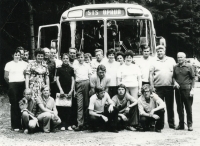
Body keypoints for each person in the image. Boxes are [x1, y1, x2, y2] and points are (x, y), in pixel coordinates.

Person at [149, 45, 176, 129]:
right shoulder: (153, 61)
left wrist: (175, 83)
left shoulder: (171, 60)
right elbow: (150, 75)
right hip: (158, 87)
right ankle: (161, 124)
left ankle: (171, 123)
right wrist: (152, 86)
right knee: (159, 106)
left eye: (161, 51)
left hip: (169, 86)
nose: (160, 52)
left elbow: (175, 73)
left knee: (170, 106)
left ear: (164, 51)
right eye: (158, 51)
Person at [4, 49, 28, 131]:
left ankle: (23, 124)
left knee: (22, 103)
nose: (17, 56)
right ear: (12, 55)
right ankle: (15, 125)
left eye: (18, 55)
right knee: (14, 104)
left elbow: (26, 75)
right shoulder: (9, 64)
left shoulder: (24, 64)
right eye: (15, 55)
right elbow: (6, 77)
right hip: (13, 85)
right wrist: (12, 85)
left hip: (22, 84)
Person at [173, 52, 195, 131]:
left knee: (188, 108)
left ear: (185, 58)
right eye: (178, 57)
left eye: (181, 57)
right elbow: (173, 77)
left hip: (187, 89)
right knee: (179, 108)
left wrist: (192, 89)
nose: (179, 59)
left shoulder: (189, 66)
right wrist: (175, 82)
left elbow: (193, 78)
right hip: (177, 90)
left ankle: (189, 124)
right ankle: (181, 124)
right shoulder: (175, 67)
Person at [73, 52, 92, 131]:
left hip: (86, 83)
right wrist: (74, 90)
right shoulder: (75, 66)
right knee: (79, 105)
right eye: (79, 57)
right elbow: (74, 78)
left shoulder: (87, 66)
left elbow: (90, 77)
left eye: (82, 57)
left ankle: (87, 124)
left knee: (87, 104)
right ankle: (80, 124)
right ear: (77, 58)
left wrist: (91, 87)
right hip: (78, 84)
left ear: (84, 58)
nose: (80, 59)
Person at [56, 53, 75, 131]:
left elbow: (73, 79)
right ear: (62, 59)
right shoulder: (59, 69)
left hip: (69, 89)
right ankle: (62, 124)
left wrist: (71, 90)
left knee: (69, 107)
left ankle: (68, 124)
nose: (65, 60)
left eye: (67, 58)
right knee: (61, 107)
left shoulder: (71, 69)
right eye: (64, 58)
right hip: (62, 89)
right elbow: (57, 79)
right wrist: (60, 89)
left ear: (69, 59)